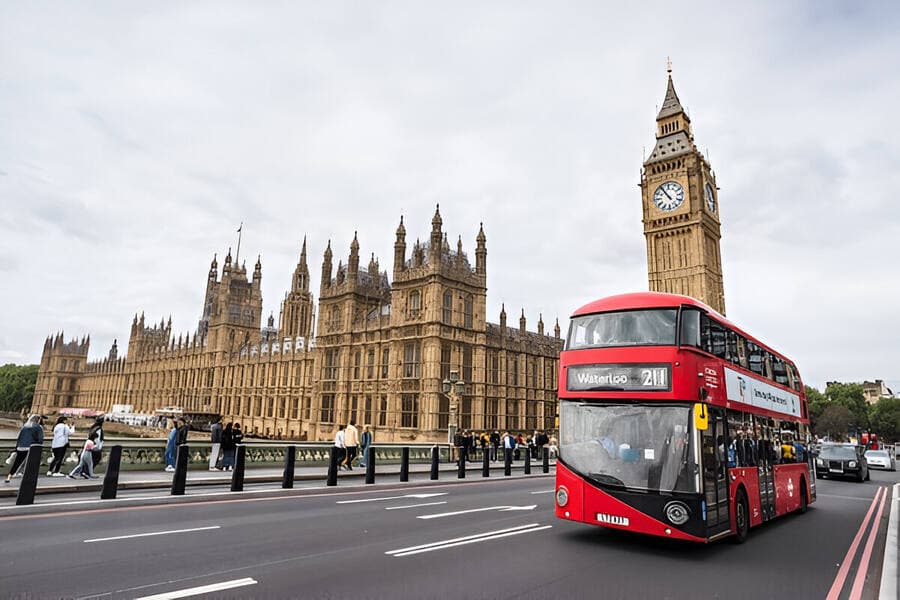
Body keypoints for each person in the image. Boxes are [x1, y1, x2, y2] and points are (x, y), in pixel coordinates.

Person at [5, 415, 44, 483]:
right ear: (37, 420)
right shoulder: (38, 427)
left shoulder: (24, 427)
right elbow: (40, 439)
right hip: (31, 447)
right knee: (31, 463)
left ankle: (9, 477)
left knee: (17, 462)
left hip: (20, 447)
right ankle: (28, 477)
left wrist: (17, 447)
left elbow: (19, 438)